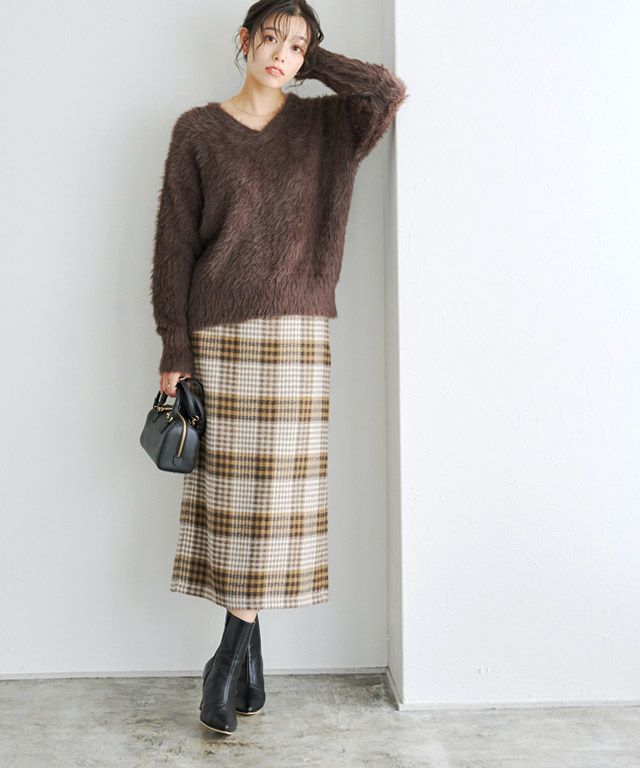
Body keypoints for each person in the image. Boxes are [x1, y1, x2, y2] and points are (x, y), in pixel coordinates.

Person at [150, 0, 408, 736]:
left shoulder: (327, 126)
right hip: (218, 335)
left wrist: (311, 56)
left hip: (296, 336)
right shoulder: (198, 131)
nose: (281, 55)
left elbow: (385, 91)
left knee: (275, 504)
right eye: (270, 39)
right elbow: (173, 247)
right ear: (244, 40)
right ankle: (247, 661)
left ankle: (226, 661)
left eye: (296, 47)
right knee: (234, 503)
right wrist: (174, 349)